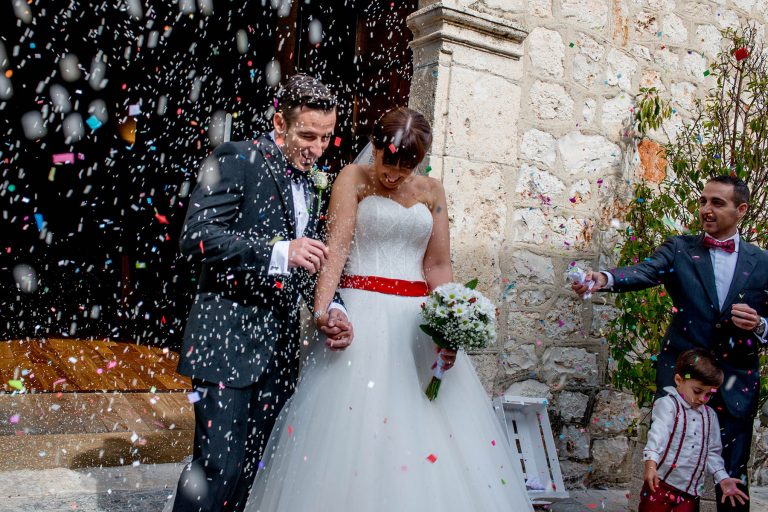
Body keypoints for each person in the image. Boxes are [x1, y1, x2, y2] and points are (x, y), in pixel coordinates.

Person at [243, 107, 533, 511]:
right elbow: (337, 250)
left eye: (405, 167)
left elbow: (437, 265)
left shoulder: (433, 192)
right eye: (387, 162)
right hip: (362, 319)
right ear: (375, 146)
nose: (393, 175)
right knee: (354, 432)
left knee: (427, 433)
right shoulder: (353, 178)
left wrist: (449, 328)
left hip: (417, 326)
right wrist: (323, 311)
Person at [168, 74, 354, 512]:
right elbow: (196, 237)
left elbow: (309, 260)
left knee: (254, 472)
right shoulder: (237, 157)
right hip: (225, 342)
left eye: (325, 137)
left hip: (278, 352)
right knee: (217, 469)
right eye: (307, 135)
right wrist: (278, 252)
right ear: (279, 123)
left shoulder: (313, 179)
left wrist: (333, 307)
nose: (317, 148)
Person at [572, 175, 768, 511]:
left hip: (736, 380)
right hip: (683, 375)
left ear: (741, 210)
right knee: (669, 465)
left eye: (717, 202)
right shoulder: (680, 249)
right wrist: (603, 278)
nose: (706, 209)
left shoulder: (763, 262)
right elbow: (645, 271)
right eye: (703, 201)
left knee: (733, 474)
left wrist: (760, 324)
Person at [640, 349, 748, 511]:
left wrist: (722, 478)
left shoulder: (710, 416)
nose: (702, 399)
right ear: (679, 380)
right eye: (697, 391)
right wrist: (650, 464)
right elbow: (658, 434)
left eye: (709, 394)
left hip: (690, 494)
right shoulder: (669, 405)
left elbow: (712, 452)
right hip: (660, 485)